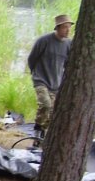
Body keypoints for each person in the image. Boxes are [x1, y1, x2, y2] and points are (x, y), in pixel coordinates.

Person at [27, 14, 74, 146]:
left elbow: (68, 64)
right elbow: (32, 59)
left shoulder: (69, 44)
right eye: (65, 27)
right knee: (45, 105)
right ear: (58, 28)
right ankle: (37, 131)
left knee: (52, 111)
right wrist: (35, 74)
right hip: (41, 80)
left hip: (56, 83)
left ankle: (41, 134)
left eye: (69, 27)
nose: (68, 30)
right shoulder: (44, 40)